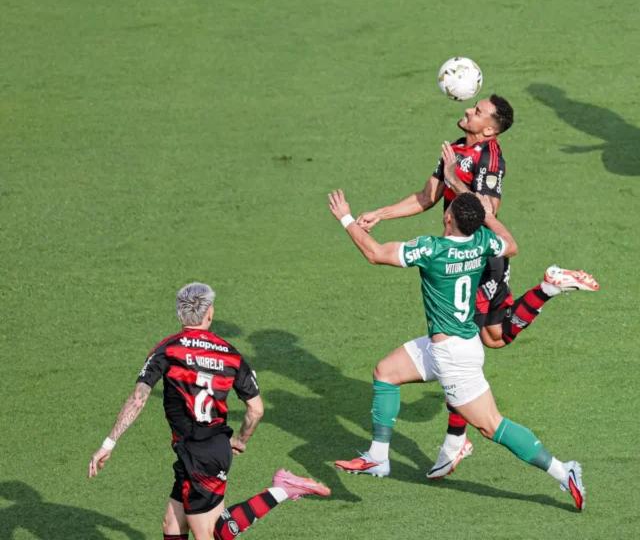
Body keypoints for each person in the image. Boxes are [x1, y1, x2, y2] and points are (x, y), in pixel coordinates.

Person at [354, 94, 599, 478]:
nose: (468, 109)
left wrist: (455, 179)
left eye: (478, 111)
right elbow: (426, 197)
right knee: (476, 340)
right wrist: (379, 214)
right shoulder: (454, 149)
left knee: (494, 337)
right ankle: (455, 442)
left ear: (488, 128)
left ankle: (549, 287)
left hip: (479, 258)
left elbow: (488, 212)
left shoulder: (491, 159)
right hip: (462, 251)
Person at [329, 190, 587, 511]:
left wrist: (345, 217)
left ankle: (565, 472)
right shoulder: (482, 241)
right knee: (386, 373)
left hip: (453, 356)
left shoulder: (431, 249)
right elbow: (512, 244)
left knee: (490, 425)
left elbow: (375, 253)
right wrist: (489, 216)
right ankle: (378, 457)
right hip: (455, 343)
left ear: (447, 218)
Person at [88, 283, 330, 540]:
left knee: (211, 535)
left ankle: (281, 489)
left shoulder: (168, 349)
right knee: (172, 524)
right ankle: (282, 488)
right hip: (204, 449)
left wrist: (109, 443)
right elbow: (256, 409)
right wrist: (240, 440)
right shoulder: (231, 354)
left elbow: (138, 399)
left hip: (199, 453)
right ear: (210, 313)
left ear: (180, 314)